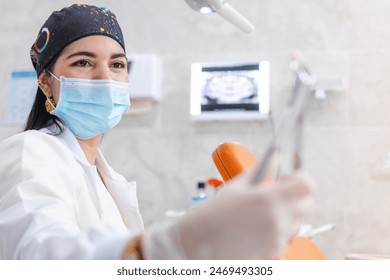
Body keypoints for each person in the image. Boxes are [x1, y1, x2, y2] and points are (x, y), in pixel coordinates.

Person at [0, 4, 313, 260]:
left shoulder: (106, 177)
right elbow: (36, 254)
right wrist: (177, 243)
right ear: (45, 82)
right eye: (83, 62)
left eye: (118, 65)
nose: (104, 78)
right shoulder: (32, 150)